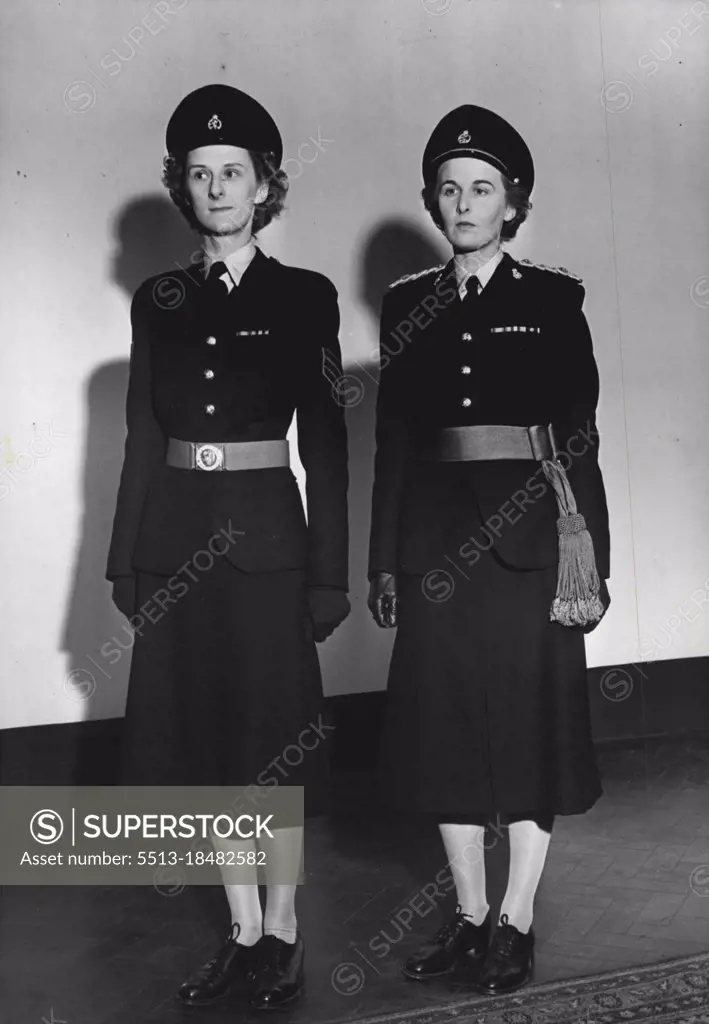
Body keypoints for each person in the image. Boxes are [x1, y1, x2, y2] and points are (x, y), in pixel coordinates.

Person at [106, 84, 350, 1010]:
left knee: (270, 746)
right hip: (173, 545)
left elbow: (323, 443)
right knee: (208, 746)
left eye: (232, 173)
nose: (215, 188)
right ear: (184, 187)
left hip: (268, 557)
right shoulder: (156, 299)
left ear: (263, 187)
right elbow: (139, 434)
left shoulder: (304, 296)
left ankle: (281, 930)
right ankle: (241, 931)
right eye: (199, 174)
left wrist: (328, 573)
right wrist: (125, 562)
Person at [367, 104, 610, 995]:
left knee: (529, 734)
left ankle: (517, 918)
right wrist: (383, 561)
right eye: (448, 189)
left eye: (481, 189)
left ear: (513, 204)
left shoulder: (550, 298)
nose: (463, 203)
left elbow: (577, 438)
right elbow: (392, 444)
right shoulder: (404, 304)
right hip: (433, 548)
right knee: (444, 738)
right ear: (432, 202)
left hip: (531, 548)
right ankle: (469, 919)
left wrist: (592, 562)